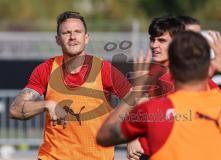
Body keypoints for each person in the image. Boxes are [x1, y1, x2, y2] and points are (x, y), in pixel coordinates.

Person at [96, 31, 221, 160]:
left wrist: (136, 92)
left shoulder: (155, 111)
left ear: (172, 71)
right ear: (211, 70)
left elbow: (104, 135)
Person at [9, 11, 131, 160]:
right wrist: (46, 104)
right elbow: (15, 110)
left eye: (77, 32)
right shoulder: (46, 70)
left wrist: (134, 137)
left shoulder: (104, 70)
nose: (72, 37)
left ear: (86, 38)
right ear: (58, 39)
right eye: (66, 33)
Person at [127, 16, 220, 160]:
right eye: (152, 39)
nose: (154, 45)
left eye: (161, 40)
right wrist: (132, 140)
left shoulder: (194, 78)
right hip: (145, 154)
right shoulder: (145, 75)